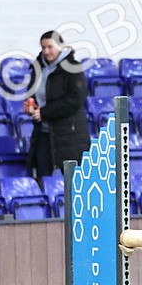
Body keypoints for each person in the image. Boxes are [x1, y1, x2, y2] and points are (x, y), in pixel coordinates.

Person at [25, 30, 91, 179]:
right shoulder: (38, 68)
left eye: (50, 47)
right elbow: (32, 92)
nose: (46, 51)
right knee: (43, 177)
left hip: (69, 134)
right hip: (43, 132)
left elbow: (75, 99)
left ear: (61, 46)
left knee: (72, 180)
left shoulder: (73, 68)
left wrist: (44, 112)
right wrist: (31, 105)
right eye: (43, 47)